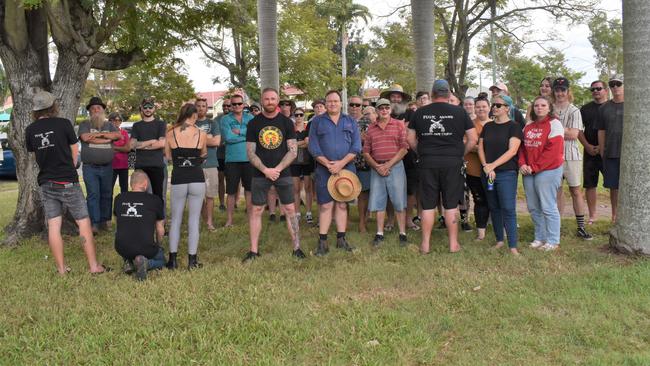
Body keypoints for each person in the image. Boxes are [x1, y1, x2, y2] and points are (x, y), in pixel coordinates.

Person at [25, 91, 107, 274]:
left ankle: (62, 269)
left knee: (54, 225)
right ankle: (94, 267)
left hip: (46, 182)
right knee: (83, 223)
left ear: (36, 110)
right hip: (68, 181)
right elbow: (74, 150)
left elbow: (34, 155)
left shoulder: (30, 130)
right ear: (52, 106)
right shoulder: (64, 124)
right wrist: (69, 166)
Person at [407, 80, 478, 254]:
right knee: (451, 205)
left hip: (427, 163)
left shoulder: (420, 113)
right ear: (448, 94)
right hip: (452, 163)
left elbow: (410, 139)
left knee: (429, 205)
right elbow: (473, 139)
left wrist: (421, 152)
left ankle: (425, 244)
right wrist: (460, 153)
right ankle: (453, 244)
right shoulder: (460, 112)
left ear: (432, 94)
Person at [245, 88, 303, 261]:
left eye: (273, 98)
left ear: (277, 100)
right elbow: (250, 152)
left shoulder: (286, 123)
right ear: (262, 101)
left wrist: (277, 169)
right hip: (259, 173)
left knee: (290, 209)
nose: (270, 101)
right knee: (256, 210)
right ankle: (253, 251)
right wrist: (265, 170)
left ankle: (297, 247)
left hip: (283, 172)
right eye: (266, 99)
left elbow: (293, 151)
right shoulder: (254, 123)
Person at [308, 90, 362, 256]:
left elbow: (356, 146)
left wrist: (341, 164)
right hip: (325, 170)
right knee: (325, 205)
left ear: (341, 103)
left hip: (346, 169)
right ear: (325, 103)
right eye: (329, 101)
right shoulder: (317, 121)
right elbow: (313, 146)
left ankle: (341, 239)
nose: (332, 104)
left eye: (335, 101)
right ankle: (322, 242)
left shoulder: (350, 121)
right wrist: (328, 164)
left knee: (341, 203)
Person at [164, 103, 208, 269]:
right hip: (197, 177)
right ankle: (192, 260)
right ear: (194, 115)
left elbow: (168, 156)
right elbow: (203, 153)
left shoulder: (170, 133)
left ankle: (173, 260)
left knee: (175, 219)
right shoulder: (201, 134)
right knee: (194, 220)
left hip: (179, 178)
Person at [478, 95, 523, 255]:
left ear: (507, 108)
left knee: (508, 209)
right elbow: (480, 148)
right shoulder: (488, 127)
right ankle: (499, 241)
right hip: (488, 173)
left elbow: (512, 151)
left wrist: (492, 166)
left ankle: (512, 246)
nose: (494, 108)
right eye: (493, 105)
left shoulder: (514, 126)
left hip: (506, 173)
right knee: (494, 208)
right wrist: (486, 166)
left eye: (498, 105)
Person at [519, 96, 564, 251]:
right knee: (533, 206)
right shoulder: (529, 126)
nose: (539, 108)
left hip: (548, 170)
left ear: (549, 107)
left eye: (543, 105)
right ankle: (540, 237)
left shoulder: (555, 124)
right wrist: (523, 164)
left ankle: (553, 241)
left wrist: (534, 167)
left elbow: (552, 152)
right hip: (529, 170)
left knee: (548, 206)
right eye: (536, 105)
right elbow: (522, 148)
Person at [363, 99, 409, 247]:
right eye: (381, 108)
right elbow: (366, 152)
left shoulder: (398, 125)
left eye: (387, 107)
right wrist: (377, 166)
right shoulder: (371, 128)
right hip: (377, 167)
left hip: (395, 166)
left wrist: (388, 165)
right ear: (377, 111)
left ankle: (402, 233)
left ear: (390, 109)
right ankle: (379, 233)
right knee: (378, 201)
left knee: (399, 200)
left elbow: (404, 148)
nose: (384, 110)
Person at [552, 77, 592, 240]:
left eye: (563, 90)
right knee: (557, 190)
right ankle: (556, 225)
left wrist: (556, 130)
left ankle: (581, 227)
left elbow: (574, 134)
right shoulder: (549, 108)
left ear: (568, 91)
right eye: (557, 90)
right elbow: (550, 132)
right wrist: (564, 130)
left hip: (571, 155)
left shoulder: (574, 110)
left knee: (575, 190)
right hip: (553, 155)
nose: (560, 93)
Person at [78, 96, 122, 233]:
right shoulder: (85, 124)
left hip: (107, 167)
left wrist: (96, 137)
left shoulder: (109, 125)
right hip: (90, 167)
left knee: (107, 194)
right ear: (89, 111)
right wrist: (106, 139)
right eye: (93, 108)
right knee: (93, 194)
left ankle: (105, 221)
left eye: (98, 108)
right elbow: (85, 137)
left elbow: (117, 136)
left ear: (103, 110)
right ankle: (94, 223)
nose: (96, 110)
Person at [114, 170, 165, 280]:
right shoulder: (155, 200)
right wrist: (159, 246)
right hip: (146, 248)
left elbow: (118, 225)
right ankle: (146, 263)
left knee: (128, 238)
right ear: (145, 184)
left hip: (121, 248)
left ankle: (129, 261)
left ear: (131, 184)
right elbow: (160, 229)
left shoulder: (119, 198)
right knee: (161, 260)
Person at [220, 94, 254, 227]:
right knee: (231, 191)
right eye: (233, 104)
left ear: (244, 104)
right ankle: (229, 220)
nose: (236, 106)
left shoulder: (250, 118)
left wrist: (239, 132)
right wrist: (245, 135)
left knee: (249, 190)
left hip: (249, 159)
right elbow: (228, 138)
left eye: (239, 104)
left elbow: (253, 135)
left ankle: (251, 219)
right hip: (232, 160)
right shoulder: (225, 119)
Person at [579, 80, 608, 224]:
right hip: (590, 151)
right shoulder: (585, 109)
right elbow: (579, 130)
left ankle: (615, 215)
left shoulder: (611, 107)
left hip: (608, 152)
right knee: (590, 184)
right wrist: (587, 146)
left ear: (605, 90)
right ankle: (593, 216)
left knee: (615, 185)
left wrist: (603, 147)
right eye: (593, 89)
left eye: (598, 88)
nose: (595, 91)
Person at [597, 75, 624, 223]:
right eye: (612, 85)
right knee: (614, 186)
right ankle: (615, 216)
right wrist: (602, 149)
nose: (615, 87)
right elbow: (601, 130)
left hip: (629, 154)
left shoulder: (635, 105)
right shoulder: (604, 108)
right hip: (611, 151)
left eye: (618, 84)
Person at [129, 98, 167, 204]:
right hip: (140, 165)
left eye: (150, 107)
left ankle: (159, 220)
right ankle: (142, 219)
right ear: (141, 108)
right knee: (139, 195)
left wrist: (140, 145)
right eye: (145, 107)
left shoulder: (160, 124)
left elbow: (161, 143)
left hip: (156, 165)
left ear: (154, 108)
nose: (148, 109)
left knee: (158, 195)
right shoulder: (137, 125)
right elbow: (132, 145)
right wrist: (151, 141)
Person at [464, 97, 491, 240]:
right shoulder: (470, 125)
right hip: (473, 169)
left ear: (489, 107)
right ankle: (481, 232)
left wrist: (477, 146)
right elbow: (465, 143)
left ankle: (499, 228)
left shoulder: (495, 124)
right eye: (478, 106)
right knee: (479, 200)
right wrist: (481, 148)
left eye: (484, 106)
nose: (481, 109)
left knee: (493, 199)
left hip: (492, 169)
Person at [195, 98, 221, 231]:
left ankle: (209, 222)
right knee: (197, 195)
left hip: (210, 163)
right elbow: (188, 143)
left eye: (203, 106)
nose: (201, 108)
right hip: (194, 165)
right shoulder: (190, 123)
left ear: (207, 108)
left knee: (210, 195)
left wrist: (198, 139)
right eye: (198, 106)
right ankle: (202, 220)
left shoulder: (213, 123)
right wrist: (207, 138)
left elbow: (216, 142)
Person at [290, 107, 314, 223]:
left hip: (307, 160)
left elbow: (309, 143)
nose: (298, 117)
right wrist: (303, 142)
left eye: (300, 114)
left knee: (308, 188)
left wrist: (296, 143)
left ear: (304, 115)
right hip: (294, 162)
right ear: (294, 116)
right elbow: (288, 145)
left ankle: (309, 212)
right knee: (296, 189)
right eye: (296, 115)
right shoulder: (290, 128)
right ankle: (297, 213)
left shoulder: (308, 128)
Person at [355, 106, 375, 233]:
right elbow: (356, 140)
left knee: (372, 194)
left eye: (369, 114)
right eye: (365, 114)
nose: (366, 117)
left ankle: (368, 218)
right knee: (363, 194)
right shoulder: (359, 125)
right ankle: (362, 223)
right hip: (363, 163)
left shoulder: (379, 124)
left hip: (380, 163)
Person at [215, 98, 231, 210]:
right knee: (220, 179)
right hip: (220, 155)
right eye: (224, 106)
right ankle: (221, 203)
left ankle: (233, 202)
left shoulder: (236, 118)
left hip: (232, 155)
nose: (226, 108)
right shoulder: (216, 120)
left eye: (228, 106)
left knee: (232, 180)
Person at [109, 112, 130, 194]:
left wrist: (114, 148)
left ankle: (124, 206)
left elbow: (128, 148)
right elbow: (106, 149)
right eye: (114, 120)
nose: (117, 122)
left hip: (123, 165)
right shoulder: (107, 134)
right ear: (110, 121)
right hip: (111, 166)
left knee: (124, 189)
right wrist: (122, 149)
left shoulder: (124, 133)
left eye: (119, 120)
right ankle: (108, 207)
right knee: (109, 190)